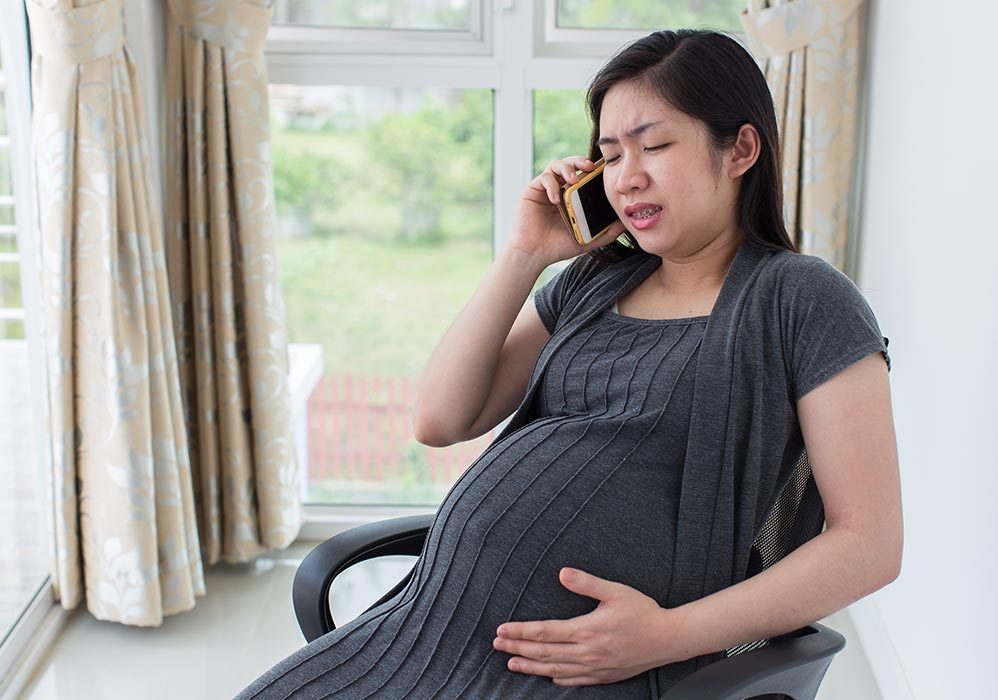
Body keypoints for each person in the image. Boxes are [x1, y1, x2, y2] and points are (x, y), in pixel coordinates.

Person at [236, 28, 902, 699]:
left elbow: (869, 542)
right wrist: (525, 254)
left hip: (589, 673)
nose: (627, 176)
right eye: (610, 157)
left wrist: (664, 637)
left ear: (742, 149)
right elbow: (441, 418)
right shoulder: (595, 282)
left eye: (656, 144)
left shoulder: (803, 300)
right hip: (425, 631)